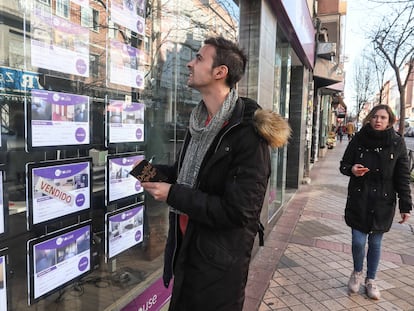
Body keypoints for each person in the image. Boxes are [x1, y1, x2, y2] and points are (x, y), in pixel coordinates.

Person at [141, 36, 291, 311]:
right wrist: (145, 171)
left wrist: (174, 194)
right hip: (187, 250)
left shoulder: (247, 134)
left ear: (220, 73)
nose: (189, 63)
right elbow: (187, 176)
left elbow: (239, 212)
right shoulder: (199, 122)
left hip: (219, 266)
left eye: (199, 58)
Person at [339, 104, 412, 300]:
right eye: (375, 117)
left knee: (376, 242)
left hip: (383, 201)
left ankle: (371, 279)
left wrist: (406, 206)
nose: (378, 120)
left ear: (390, 121)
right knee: (358, 241)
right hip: (359, 198)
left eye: (383, 117)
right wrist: (352, 169)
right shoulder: (359, 139)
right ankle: (357, 272)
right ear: (370, 118)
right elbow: (344, 165)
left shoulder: (397, 143)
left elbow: (402, 177)